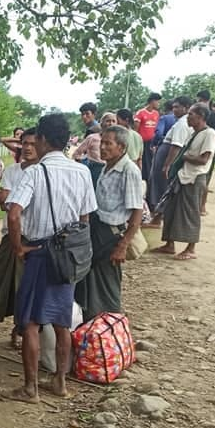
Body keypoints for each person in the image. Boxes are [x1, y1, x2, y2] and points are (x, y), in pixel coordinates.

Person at [3, 114, 97, 404]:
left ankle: (30, 388)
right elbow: (85, 218)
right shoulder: (82, 172)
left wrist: (18, 247)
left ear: (42, 139)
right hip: (68, 255)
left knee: (31, 323)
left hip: (40, 253)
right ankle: (60, 382)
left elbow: (14, 213)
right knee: (61, 321)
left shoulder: (34, 173)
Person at [0, 128, 38, 350]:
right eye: (25, 143)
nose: (28, 148)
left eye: (33, 143)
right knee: (0, 283)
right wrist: (15, 199)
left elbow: (8, 199)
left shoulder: (43, 173)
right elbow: (2, 200)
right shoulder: (13, 170)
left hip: (34, 238)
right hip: (10, 236)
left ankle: (19, 332)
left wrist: (12, 198)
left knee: (27, 288)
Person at [75, 126, 143, 317]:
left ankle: (110, 324)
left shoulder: (129, 170)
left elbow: (137, 211)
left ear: (121, 147)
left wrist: (123, 245)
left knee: (107, 284)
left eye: (108, 143)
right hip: (98, 228)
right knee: (91, 280)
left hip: (112, 235)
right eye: (102, 142)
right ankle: (92, 324)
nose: (102, 147)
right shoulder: (107, 166)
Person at [153, 104, 215, 260]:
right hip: (182, 175)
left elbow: (203, 159)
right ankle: (169, 243)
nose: (188, 118)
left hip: (194, 177)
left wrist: (184, 156)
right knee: (171, 209)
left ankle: (191, 248)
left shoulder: (209, 133)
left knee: (190, 212)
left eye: (191, 114)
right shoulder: (193, 133)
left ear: (201, 116)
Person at [144, 96, 192, 227]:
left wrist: (167, 164)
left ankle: (158, 217)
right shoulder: (181, 122)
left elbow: (176, 146)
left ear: (186, 108)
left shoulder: (182, 124)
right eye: (173, 107)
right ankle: (158, 216)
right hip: (166, 153)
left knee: (161, 186)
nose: (174, 110)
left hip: (167, 155)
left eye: (177, 107)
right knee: (162, 185)